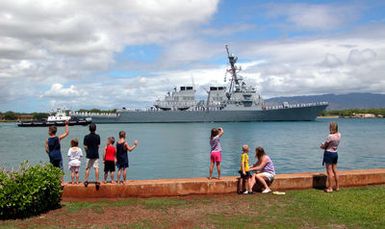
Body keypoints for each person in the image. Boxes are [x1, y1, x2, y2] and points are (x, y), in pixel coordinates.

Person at [320, 121, 341, 193]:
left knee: (329, 172)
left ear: (331, 127)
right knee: (335, 170)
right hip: (335, 153)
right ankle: (337, 187)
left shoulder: (330, 136)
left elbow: (325, 145)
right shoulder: (339, 135)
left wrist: (321, 146)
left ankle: (330, 188)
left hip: (329, 154)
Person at [83, 123, 101, 187]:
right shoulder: (98, 136)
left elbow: (85, 147)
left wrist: (87, 152)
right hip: (96, 154)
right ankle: (97, 181)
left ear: (89, 129)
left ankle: (86, 181)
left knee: (87, 168)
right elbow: (98, 146)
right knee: (96, 168)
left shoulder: (86, 137)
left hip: (89, 154)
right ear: (95, 129)